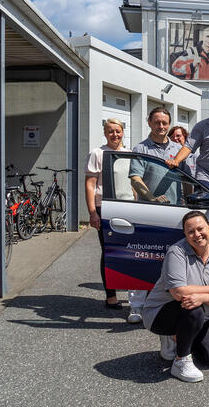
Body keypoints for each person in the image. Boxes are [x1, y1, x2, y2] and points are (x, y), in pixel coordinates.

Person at [142, 211, 209, 382]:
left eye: (200, 229)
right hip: (160, 313)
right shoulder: (176, 252)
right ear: (185, 234)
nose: (197, 235)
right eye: (190, 231)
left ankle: (182, 337)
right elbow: (178, 293)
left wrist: (204, 297)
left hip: (200, 313)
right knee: (193, 307)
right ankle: (181, 361)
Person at [127, 107, 186, 323]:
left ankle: (170, 302)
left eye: (165, 123)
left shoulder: (179, 149)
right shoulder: (141, 148)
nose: (161, 127)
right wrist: (151, 198)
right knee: (142, 259)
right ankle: (136, 306)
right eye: (157, 122)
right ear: (149, 122)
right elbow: (135, 178)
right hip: (148, 213)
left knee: (174, 260)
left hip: (175, 212)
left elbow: (186, 180)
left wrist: (189, 204)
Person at [85, 119, 125, 310]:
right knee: (109, 252)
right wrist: (93, 212)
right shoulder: (97, 153)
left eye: (117, 131)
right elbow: (90, 184)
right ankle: (111, 296)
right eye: (110, 131)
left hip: (128, 208)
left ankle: (133, 293)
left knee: (129, 252)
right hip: (105, 208)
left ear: (123, 132)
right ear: (105, 133)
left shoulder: (128, 154)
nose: (114, 134)